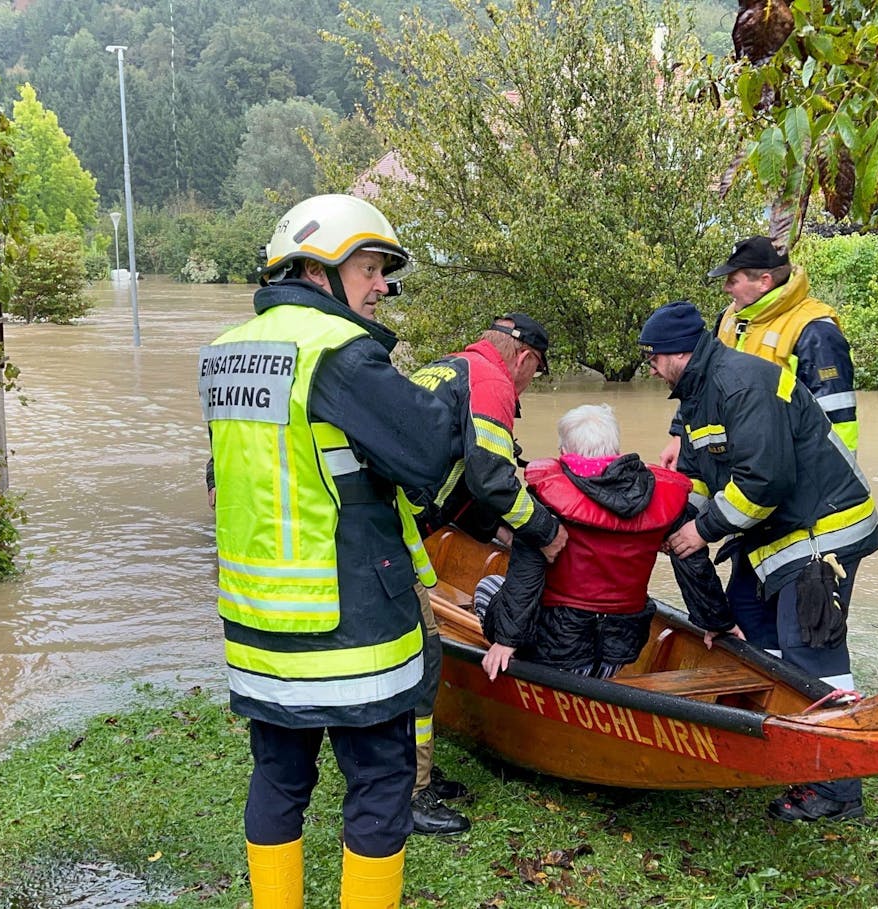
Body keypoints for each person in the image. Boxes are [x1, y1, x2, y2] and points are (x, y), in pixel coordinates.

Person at [201, 193, 454, 907]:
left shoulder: (223, 354)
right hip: (350, 630)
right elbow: (429, 449)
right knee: (378, 782)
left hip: (257, 627)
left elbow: (234, 476)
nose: (382, 287)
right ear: (317, 270)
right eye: (371, 269)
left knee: (278, 778)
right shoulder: (336, 354)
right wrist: (447, 388)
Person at [639, 299, 878, 822]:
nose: (652, 368)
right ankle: (779, 750)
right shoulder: (697, 395)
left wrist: (699, 532)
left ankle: (838, 789)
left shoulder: (742, 384)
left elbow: (763, 482)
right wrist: (680, 520)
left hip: (823, 535)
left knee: (812, 655)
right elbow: (705, 477)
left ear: (679, 353)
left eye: (654, 358)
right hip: (771, 536)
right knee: (747, 630)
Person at [404, 313, 569, 836]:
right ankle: (409, 793)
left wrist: (495, 531)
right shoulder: (492, 381)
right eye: (535, 371)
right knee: (421, 661)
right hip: (386, 539)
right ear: (523, 358)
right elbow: (493, 477)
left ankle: (414, 775)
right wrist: (544, 532)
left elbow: (452, 474)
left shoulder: (444, 369)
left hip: (388, 526)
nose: (528, 383)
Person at [476, 404, 740, 682]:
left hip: (554, 651)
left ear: (564, 452)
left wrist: (507, 640)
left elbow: (525, 574)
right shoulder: (660, 497)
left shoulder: (544, 500)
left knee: (488, 586)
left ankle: (514, 660)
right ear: (615, 451)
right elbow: (692, 563)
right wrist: (717, 622)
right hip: (619, 651)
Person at [659, 235, 858, 467]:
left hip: (785, 474)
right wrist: (679, 435)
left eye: (733, 281)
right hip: (739, 464)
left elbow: (838, 421)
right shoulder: (728, 318)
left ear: (764, 281)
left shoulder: (815, 330)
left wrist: (831, 490)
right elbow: (698, 386)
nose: (725, 288)